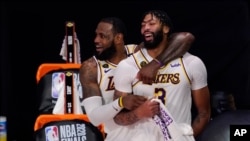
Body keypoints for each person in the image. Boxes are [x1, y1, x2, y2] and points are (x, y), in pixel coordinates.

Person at [80, 17, 195, 140]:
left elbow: (185, 37)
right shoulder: (91, 67)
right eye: (96, 35)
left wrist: (155, 63)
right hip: (116, 135)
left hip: (147, 131)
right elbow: (94, 118)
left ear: (118, 38)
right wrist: (121, 102)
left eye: (102, 36)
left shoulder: (136, 52)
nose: (96, 40)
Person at [112, 10, 211, 141]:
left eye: (151, 23)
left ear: (166, 28)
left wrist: (186, 137)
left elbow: (204, 114)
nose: (146, 28)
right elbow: (117, 117)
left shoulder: (192, 63)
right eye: (143, 25)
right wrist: (138, 113)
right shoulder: (127, 65)